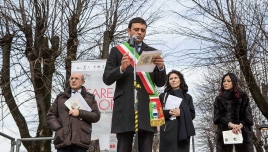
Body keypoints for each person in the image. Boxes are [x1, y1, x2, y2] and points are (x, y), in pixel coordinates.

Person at [103, 17, 166, 152]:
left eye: (143, 30)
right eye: (136, 29)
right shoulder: (117, 51)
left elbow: (160, 83)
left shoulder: (151, 52)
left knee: (146, 147)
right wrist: (121, 68)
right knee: (123, 147)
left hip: (145, 106)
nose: (139, 33)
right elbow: (106, 78)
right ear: (128, 31)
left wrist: (161, 68)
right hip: (125, 106)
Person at [47, 72, 101, 152]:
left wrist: (80, 113)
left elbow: (96, 116)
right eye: (72, 78)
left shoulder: (90, 98)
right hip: (62, 140)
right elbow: (51, 115)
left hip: (81, 140)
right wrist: (59, 129)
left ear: (83, 82)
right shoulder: (60, 98)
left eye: (76, 78)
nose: (73, 80)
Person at [213, 73, 254, 152]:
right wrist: (230, 124)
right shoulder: (219, 99)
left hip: (243, 134)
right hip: (224, 134)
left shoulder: (243, 97)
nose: (225, 83)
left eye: (229, 81)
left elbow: (247, 115)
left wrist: (240, 126)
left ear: (234, 82)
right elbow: (218, 116)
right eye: (224, 81)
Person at [159, 70, 196, 152]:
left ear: (180, 80)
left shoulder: (187, 97)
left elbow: (192, 114)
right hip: (167, 130)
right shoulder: (163, 96)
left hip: (183, 132)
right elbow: (157, 113)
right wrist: (168, 112)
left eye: (175, 78)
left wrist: (181, 113)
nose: (173, 80)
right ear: (168, 81)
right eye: (171, 78)